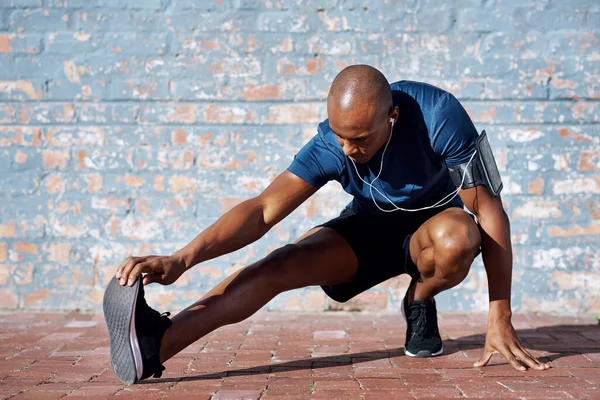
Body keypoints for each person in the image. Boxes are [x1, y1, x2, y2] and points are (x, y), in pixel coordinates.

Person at [102, 65, 551, 384]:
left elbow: (490, 212)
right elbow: (262, 211)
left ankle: (419, 298)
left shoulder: (439, 115)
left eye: (359, 138)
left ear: (391, 116)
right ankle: (154, 346)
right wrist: (183, 258)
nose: (348, 148)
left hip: (435, 229)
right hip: (367, 230)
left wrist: (500, 316)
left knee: (458, 238)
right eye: (340, 136)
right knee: (275, 268)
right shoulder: (333, 144)